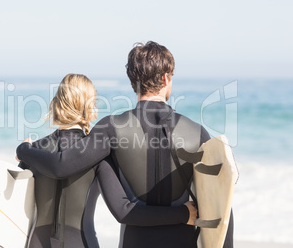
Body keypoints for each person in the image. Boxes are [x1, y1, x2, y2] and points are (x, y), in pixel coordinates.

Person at [16, 42, 234, 248]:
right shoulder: (196, 132)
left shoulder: (112, 128)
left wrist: (24, 150)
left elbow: (62, 166)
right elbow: (222, 202)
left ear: (133, 83)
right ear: (166, 79)